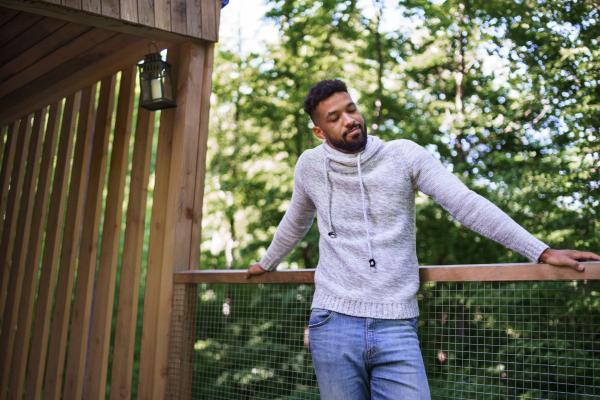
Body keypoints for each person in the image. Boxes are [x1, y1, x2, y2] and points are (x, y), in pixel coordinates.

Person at [244, 79, 600, 400]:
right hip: (332, 321)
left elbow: (465, 203)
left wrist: (540, 251)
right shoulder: (309, 166)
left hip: (396, 323)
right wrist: (267, 264)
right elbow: (295, 221)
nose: (349, 120)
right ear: (320, 132)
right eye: (335, 117)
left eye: (351, 109)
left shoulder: (403, 155)